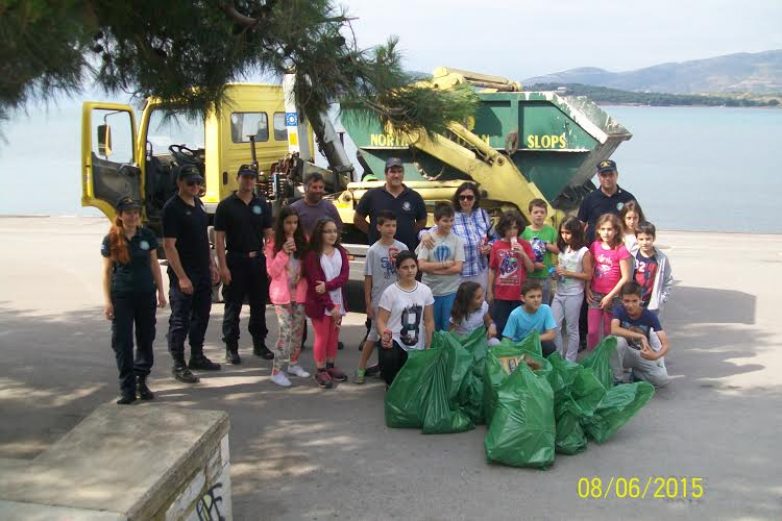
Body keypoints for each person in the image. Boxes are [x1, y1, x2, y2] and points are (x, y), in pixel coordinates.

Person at [101, 197, 167, 404]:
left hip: (146, 294)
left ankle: (141, 380)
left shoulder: (146, 235)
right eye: (128, 212)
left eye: (136, 212)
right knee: (123, 342)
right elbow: (106, 272)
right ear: (120, 216)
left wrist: (161, 292)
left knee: (146, 338)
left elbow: (154, 264)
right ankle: (127, 388)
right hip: (122, 296)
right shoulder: (111, 238)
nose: (133, 216)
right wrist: (107, 301)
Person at [162, 166, 221, 384]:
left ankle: (197, 354)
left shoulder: (198, 205)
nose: (195, 187)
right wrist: (182, 277)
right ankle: (179, 363)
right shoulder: (172, 208)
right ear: (179, 183)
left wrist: (212, 264)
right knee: (181, 320)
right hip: (184, 273)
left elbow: (203, 240)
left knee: (202, 315)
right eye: (190, 183)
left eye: (197, 183)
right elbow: (169, 246)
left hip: (202, 270)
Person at [214, 167, 274, 364]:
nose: (249, 181)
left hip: (257, 261)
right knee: (233, 306)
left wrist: (272, 263)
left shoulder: (262, 204)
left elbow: (269, 235)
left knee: (259, 305)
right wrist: (222, 267)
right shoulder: (226, 206)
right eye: (245, 177)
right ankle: (231, 347)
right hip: (236, 260)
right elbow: (219, 239)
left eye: (252, 178)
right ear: (237, 178)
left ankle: (259, 344)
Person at [355, 210, 408, 384]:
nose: (391, 229)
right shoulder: (374, 250)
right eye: (387, 225)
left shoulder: (402, 248)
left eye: (394, 225)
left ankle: (385, 366)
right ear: (378, 227)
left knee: (395, 334)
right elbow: (368, 277)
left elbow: (408, 272)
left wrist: (397, 263)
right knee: (374, 334)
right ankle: (361, 366)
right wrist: (368, 302)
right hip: (380, 299)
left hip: (399, 297)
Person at [265, 206, 311, 387]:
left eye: (295, 222)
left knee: (298, 332)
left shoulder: (303, 240)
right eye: (288, 223)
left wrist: (304, 273)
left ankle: (293, 363)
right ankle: (276, 371)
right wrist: (283, 252)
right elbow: (272, 272)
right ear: (281, 223)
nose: (292, 226)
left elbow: (309, 264)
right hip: (282, 295)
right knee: (285, 332)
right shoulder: (272, 244)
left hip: (299, 293)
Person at [303, 218, 350, 389]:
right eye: (328, 231)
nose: (332, 235)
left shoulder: (341, 252)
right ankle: (320, 369)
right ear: (319, 233)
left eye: (334, 231)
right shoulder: (313, 255)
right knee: (322, 337)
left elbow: (344, 276)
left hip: (338, 302)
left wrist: (328, 286)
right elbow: (317, 286)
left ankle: (330, 366)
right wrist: (330, 306)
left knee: (334, 337)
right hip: (321, 305)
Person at [376, 251, 435, 386]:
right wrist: (385, 335)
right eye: (405, 267)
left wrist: (429, 344)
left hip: (416, 343)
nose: (410, 271)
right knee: (389, 356)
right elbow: (380, 320)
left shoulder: (425, 291)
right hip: (396, 341)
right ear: (397, 270)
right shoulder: (390, 292)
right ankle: (390, 384)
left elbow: (429, 320)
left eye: (413, 266)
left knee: (413, 382)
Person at [420, 182, 492, 290]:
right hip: (459, 273)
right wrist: (423, 234)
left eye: (469, 197)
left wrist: (490, 246)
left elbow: (494, 236)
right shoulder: (452, 215)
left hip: (480, 269)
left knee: (478, 303)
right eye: (462, 197)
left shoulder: (482, 214)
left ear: (475, 198)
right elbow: (433, 231)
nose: (465, 201)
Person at [354, 157, 427, 252]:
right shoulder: (372, 196)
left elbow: (422, 221)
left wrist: (408, 232)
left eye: (400, 171)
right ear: (386, 174)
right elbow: (358, 219)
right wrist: (373, 232)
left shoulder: (414, 197)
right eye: (392, 172)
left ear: (403, 174)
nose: (396, 175)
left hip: (405, 255)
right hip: (379, 253)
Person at [610, 282, 671, 387]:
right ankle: (617, 380)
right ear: (621, 300)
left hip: (642, 354)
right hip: (624, 354)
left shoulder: (650, 316)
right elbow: (614, 329)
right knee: (617, 341)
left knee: (662, 380)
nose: (630, 305)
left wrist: (655, 355)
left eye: (634, 301)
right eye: (626, 301)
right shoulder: (619, 310)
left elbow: (666, 344)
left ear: (640, 300)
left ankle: (637, 375)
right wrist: (641, 336)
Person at [415, 202, 465, 331]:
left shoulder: (458, 241)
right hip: (430, 291)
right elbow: (421, 265)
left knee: (448, 327)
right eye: (445, 221)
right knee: (430, 327)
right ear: (436, 221)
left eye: (451, 220)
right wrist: (444, 265)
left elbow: (458, 268)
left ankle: (446, 351)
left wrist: (434, 270)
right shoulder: (428, 239)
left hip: (451, 291)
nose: (449, 224)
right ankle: (432, 350)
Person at [587, 213, 632, 350]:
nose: (606, 233)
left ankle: (608, 362)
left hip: (614, 297)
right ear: (598, 230)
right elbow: (589, 268)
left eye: (610, 229)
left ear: (616, 230)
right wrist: (587, 288)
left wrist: (610, 296)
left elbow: (626, 277)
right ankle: (593, 360)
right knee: (593, 331)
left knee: (609, 332)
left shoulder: (621, 249)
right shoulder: (595, 246)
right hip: (595, 294)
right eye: (603, 229)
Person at [551, 217, 592, 362]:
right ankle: (558, 356)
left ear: (576, 233)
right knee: (554, 326)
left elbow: (588, 274)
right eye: (562, 232)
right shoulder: (563, 248)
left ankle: (570, 360)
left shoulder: (584, 252)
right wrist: (556, 273)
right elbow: (560, 267)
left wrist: (568, 273)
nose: (564, 236)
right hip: (559, 292)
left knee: (571, 329)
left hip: (574, 294)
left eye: (568, 233)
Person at [487, 210, 535, 336]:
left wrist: (523, 254)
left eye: (515, 228)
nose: (512, 232)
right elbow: (492, 269)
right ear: (503, 228)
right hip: (501, 295)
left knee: (519, 328)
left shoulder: (525, 244)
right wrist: (490, 291)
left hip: (519, 295)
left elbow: (531, 269)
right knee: (501, 328)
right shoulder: (497, 245)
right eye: (509, 228)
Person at [577, 159, 639, 243]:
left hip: (620, 247)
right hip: (593, 248)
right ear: (598, 176)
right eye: (604, 175)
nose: (607, 178)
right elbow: (580, 225)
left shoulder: (627, 198)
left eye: (611, 175)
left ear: (616, 175)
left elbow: (638, 223)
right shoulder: (590, 198)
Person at [502, 279, 557, 357]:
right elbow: (507, 339)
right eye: (532, 297)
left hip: (536, 344)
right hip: (519, 347)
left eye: (539, 296)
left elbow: (551, 334)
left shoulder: (546, 309)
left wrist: (532, 340)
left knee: (550, 346)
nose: (536, 300)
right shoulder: (515, 314)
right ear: (523, 298)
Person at [522, 198, 559, 304]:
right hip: (529, 276)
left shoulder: (551, 231)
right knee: (529, 304)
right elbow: (521, 254)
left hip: (545, 276)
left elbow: (557, 251)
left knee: (544, 304)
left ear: (546, 214)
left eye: (542, 212)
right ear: (530, 214)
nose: (539, 215)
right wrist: (533, 264)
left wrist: (545, 244)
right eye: (536, 212)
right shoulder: (524, 232)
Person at [634, 222, 673, 317]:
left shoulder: (661, 258)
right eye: (641, 239)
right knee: (632, 330)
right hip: (633, 302)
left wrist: (662, 299)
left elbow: (668, 279)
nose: (644, 242)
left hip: (652, 303)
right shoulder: (633, 256)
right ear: (637, 239)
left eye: (648, 239)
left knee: (651, 331)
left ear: (653, 238)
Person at [290, 172, 343, 237]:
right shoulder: (294, 209)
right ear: (305, 189)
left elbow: (339, 229)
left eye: (321, 187)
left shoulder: (330, 208)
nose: (318, 191)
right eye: (314, 187)